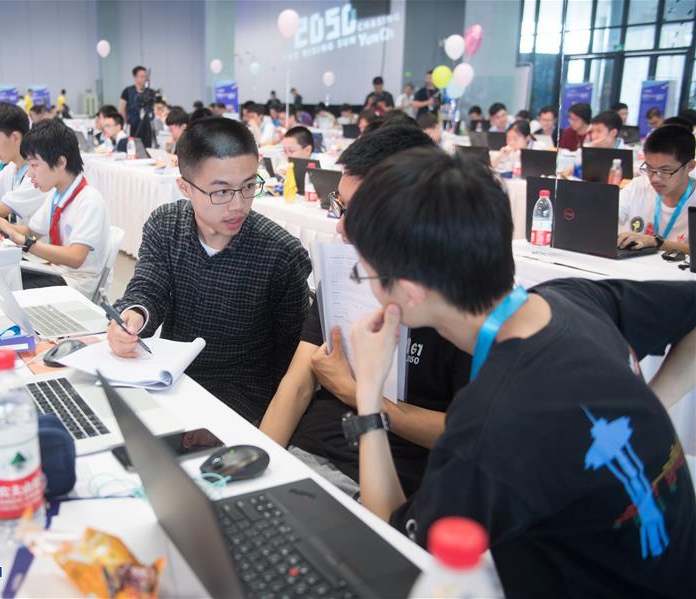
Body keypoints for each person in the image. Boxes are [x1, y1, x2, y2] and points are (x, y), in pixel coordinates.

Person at [343, 146, 696, 598]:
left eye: (366, 275)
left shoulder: (495, 417)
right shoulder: (570, 299)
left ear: (409, 293)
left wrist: (369, 394)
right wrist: (648, 409)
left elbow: (396, 548)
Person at [259, 125, 469, 497]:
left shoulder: (460, 308)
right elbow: (296, 385)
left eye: (358, 213)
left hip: (386, 482)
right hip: (304, 457)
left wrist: (355, 392)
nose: (341, 227)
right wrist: (259, 467)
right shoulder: (348, 271)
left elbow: (464, 433)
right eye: (339, 206)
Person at [107, 117, 312, 423]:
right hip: (172, 378)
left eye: (248, 186)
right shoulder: (166, 225)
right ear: (185, 187)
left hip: (243, 397)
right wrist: (133, 317)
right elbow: (149, 288)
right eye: (221, 192)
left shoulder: (280, 253)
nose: (238, 205)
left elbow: (292, 362)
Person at [0, 120, 109, 296]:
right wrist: (0, 225)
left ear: (60, 162)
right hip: (55, 272)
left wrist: (23, 241)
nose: (30, 174)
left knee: (6, 289)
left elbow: (75, 258)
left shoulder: (89, 200)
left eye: (35, 165)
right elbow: (31, 230)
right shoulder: (56, 194)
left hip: (75, 284)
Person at [618, 125, 696, 254]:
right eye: (649, 168)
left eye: (665, 170)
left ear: (690, 166)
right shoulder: (638, 186)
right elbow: (606, 217)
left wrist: (657, 242)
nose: (655, 179)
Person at [119, 66, 154, 147]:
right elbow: (121, 109)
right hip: (132, 126)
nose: (144, 78)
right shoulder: (127, 91)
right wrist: (125, 124)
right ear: (135, 77)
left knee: (147, 148)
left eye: (145, 76)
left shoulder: (150, 92)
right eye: (141, 76)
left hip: (147, 127)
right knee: (133, 147)